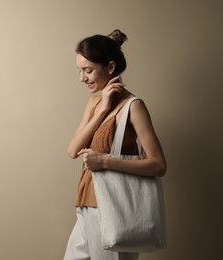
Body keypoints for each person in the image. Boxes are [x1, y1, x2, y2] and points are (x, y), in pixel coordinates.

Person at [64, 29, 167, 260]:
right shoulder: (94, 103)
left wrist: (104, 161)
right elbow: (72, 150)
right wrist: (101, 110)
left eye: (88, 70)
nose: (82, 78)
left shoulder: (134, 106)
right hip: (86, 203)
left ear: (110, 68)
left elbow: (158, 165)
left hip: (114, 207)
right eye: (80, 70)